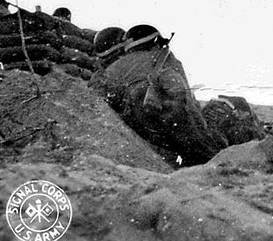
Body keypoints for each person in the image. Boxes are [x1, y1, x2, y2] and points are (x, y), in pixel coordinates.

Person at [88, 23, 227, 166]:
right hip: (172, 123)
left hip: (139, 132)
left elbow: (99, 103)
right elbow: (185, 100)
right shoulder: (166, 59)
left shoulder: (107, 72)